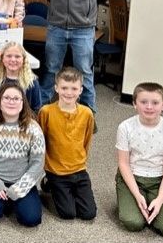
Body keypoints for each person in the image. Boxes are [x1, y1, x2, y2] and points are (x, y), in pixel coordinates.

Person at [115, 83, 163, 238]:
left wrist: (159, 201)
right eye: (143, 102)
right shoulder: (125, 127)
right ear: (134, 104)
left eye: (155, 103)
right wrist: (137, 196)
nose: (149, 107)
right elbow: (123, 163)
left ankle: (152, 203)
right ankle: (134, 200)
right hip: (132, 177)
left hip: (158, 180)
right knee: (133, 223)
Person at [0, 82, 45, 227]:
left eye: (15, 98)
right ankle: (6, 199)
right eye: (6, 98)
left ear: (22, 103)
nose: (11, 101)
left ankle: (12, 199)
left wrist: (21, 188)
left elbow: (38, 162)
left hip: (22, 180)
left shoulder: (33, 128)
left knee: (31, 220)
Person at [38, 67, 96, 220]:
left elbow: (87, 141)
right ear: (56, 88)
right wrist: (46, 165)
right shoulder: (46, 111)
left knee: (89, 214)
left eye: (74, 88)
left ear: (81, 90)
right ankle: (49, 183)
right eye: (64, 88)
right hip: (56, 170)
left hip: (79, 169)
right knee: (68, 214)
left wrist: (80, 160)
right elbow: (41, 140)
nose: (69, 93)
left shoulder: (87, 113)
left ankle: (67, 190)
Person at [0, 42, 41, 114]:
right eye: (9, 56)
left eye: (17, 56)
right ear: (2, 58)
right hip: (0, 121)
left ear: (23, 59)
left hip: (25, 122)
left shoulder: (32, 82)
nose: (13, 60)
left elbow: (36, 108)